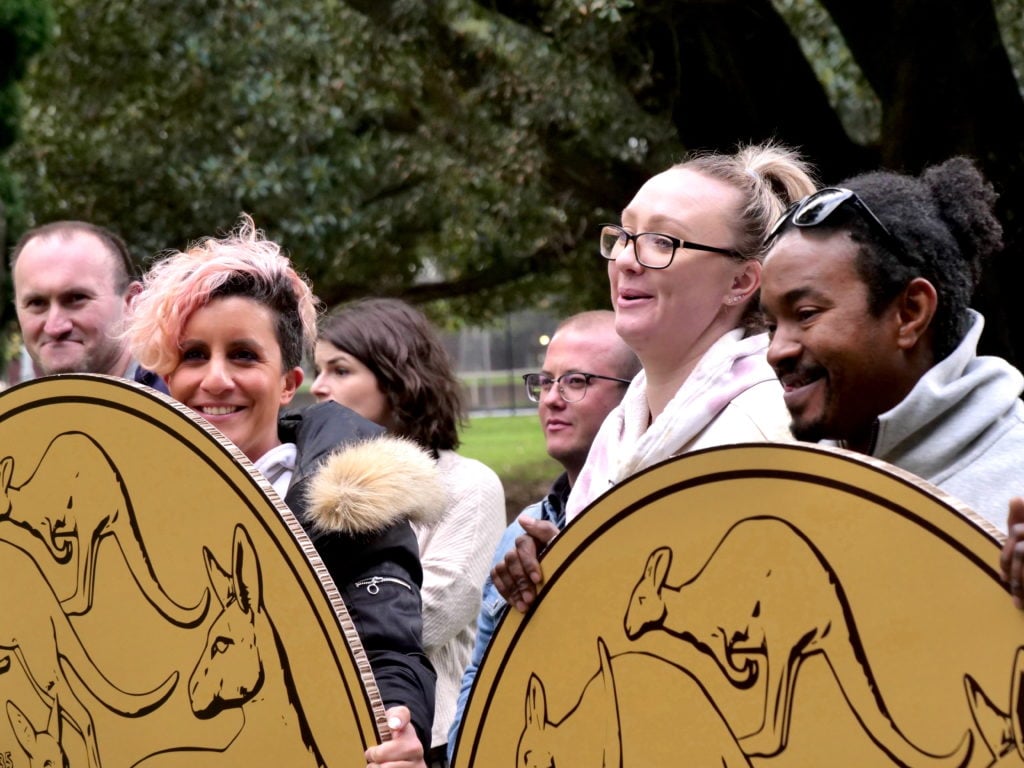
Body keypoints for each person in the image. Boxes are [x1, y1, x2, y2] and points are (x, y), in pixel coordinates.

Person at [125, 216, 439, 767]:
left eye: (243, 355)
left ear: (289, 383)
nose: (215, 379)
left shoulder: (352, 501)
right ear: (167, 376)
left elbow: (390, 654)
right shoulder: (126, 504)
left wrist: (396, 726)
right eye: (194, 355)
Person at [494, 142, 817, 613]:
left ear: (741, 283)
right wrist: (557, 571)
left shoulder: (771, 426)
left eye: (663, 242)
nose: (626, 258)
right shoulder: (620, 432)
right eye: (625, 235)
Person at [760, 157, 1024, 539]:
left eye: (805, 314)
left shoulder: (1014, 480)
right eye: (770, 326)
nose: (776, 351)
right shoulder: (780, 487)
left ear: (910, 312)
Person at [310, 297, 506, 767]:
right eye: (318, 369)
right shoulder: (311, 483)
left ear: (397, 382)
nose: (318, 387)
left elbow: (430, 615)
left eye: (340, 370)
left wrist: (306, 623)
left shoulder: (468, 485)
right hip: (322, 729)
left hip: (429, 741)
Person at [446, 310, 640, 762]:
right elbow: (481, 680)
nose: (552, 399)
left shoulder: (646, 521)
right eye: (546, 382)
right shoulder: (524, 531)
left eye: (575, 382)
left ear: (634, 395)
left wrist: (578, 576)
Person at [11, 220, 167, 391]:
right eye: (36, 303)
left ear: (132, 302)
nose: (54, 328)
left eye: (76, 298)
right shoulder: (21, 414)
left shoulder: (184, 406)